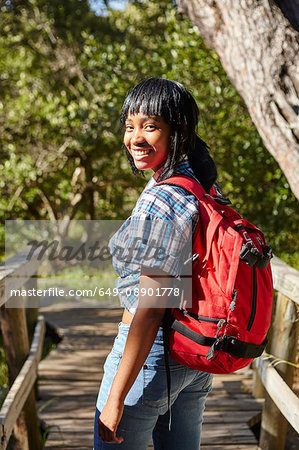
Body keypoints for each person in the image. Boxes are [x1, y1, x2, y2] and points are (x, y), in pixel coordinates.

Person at [94, 78, 218, 450]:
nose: (135, 138)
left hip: (152, 357)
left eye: (150, 126)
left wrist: (115, 399)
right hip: (193, 356)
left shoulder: (160, 199)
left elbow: (149, 308)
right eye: (129, 126)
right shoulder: (202, 184)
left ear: (178, 130)